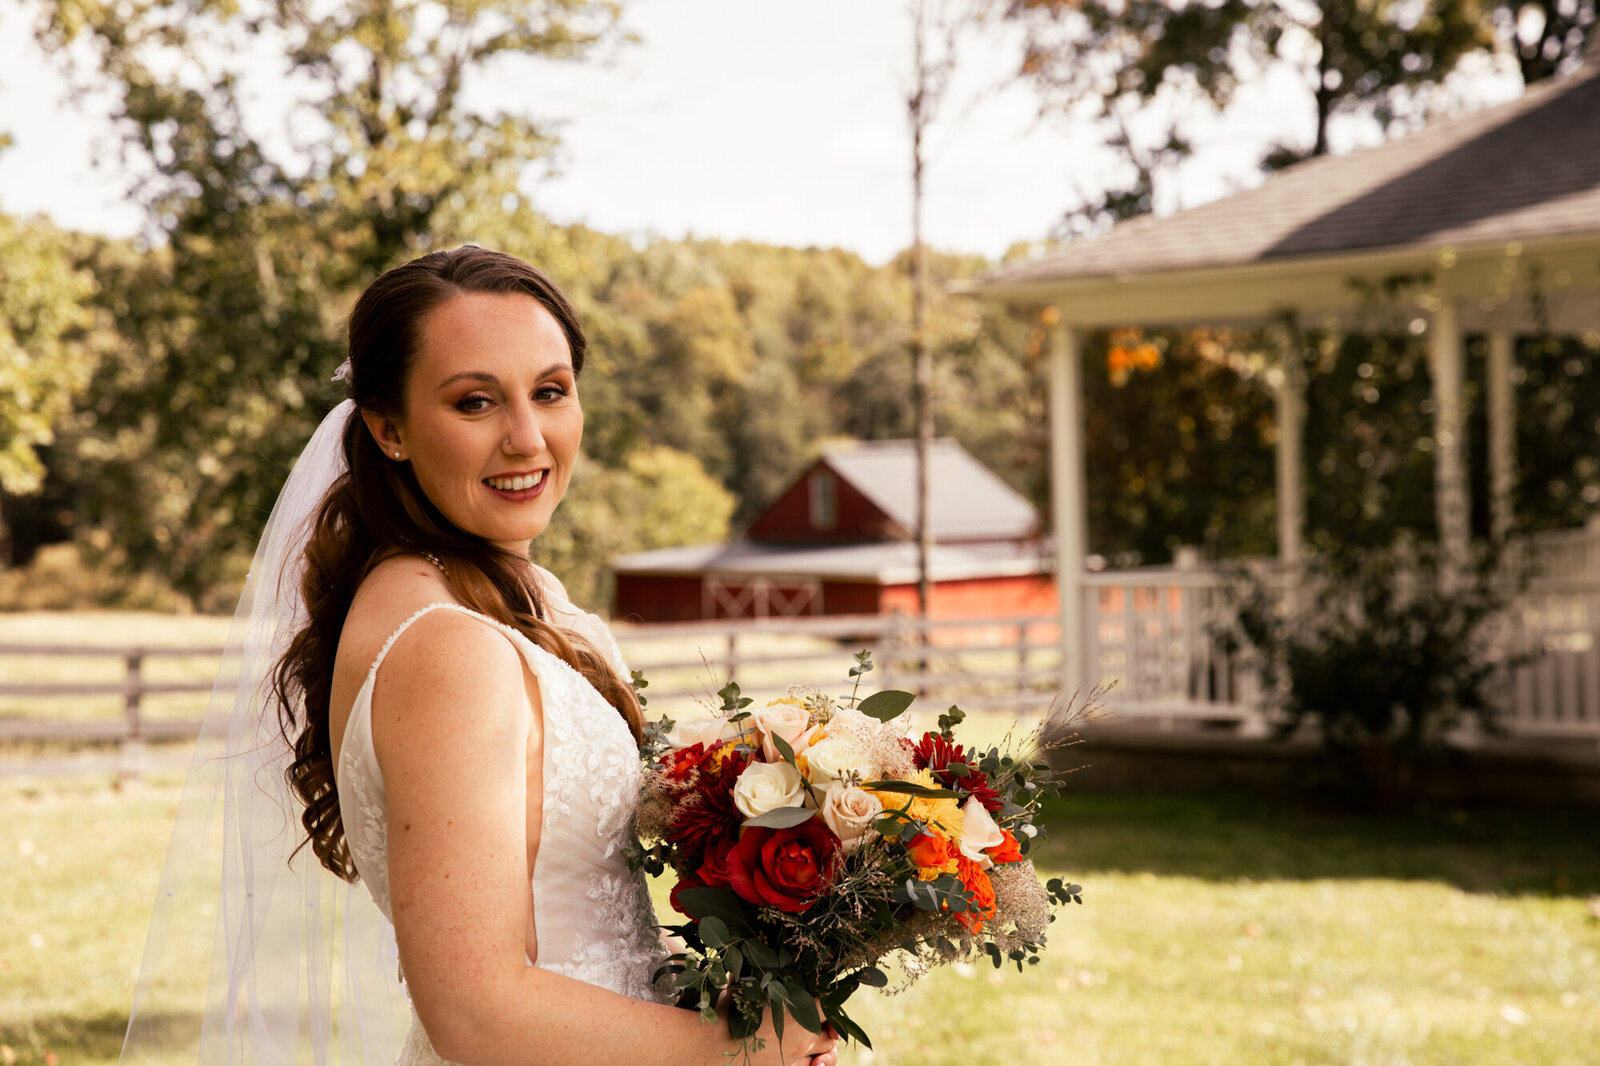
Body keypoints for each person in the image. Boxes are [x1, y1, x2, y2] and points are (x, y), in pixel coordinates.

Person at [120, 247, 839, 1066]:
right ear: (389, 429)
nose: (526, 438)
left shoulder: (500, 598)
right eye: (474, 402)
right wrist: (741, 1054)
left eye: (550, 391)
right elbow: (476, 1013)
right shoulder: (449, 649)